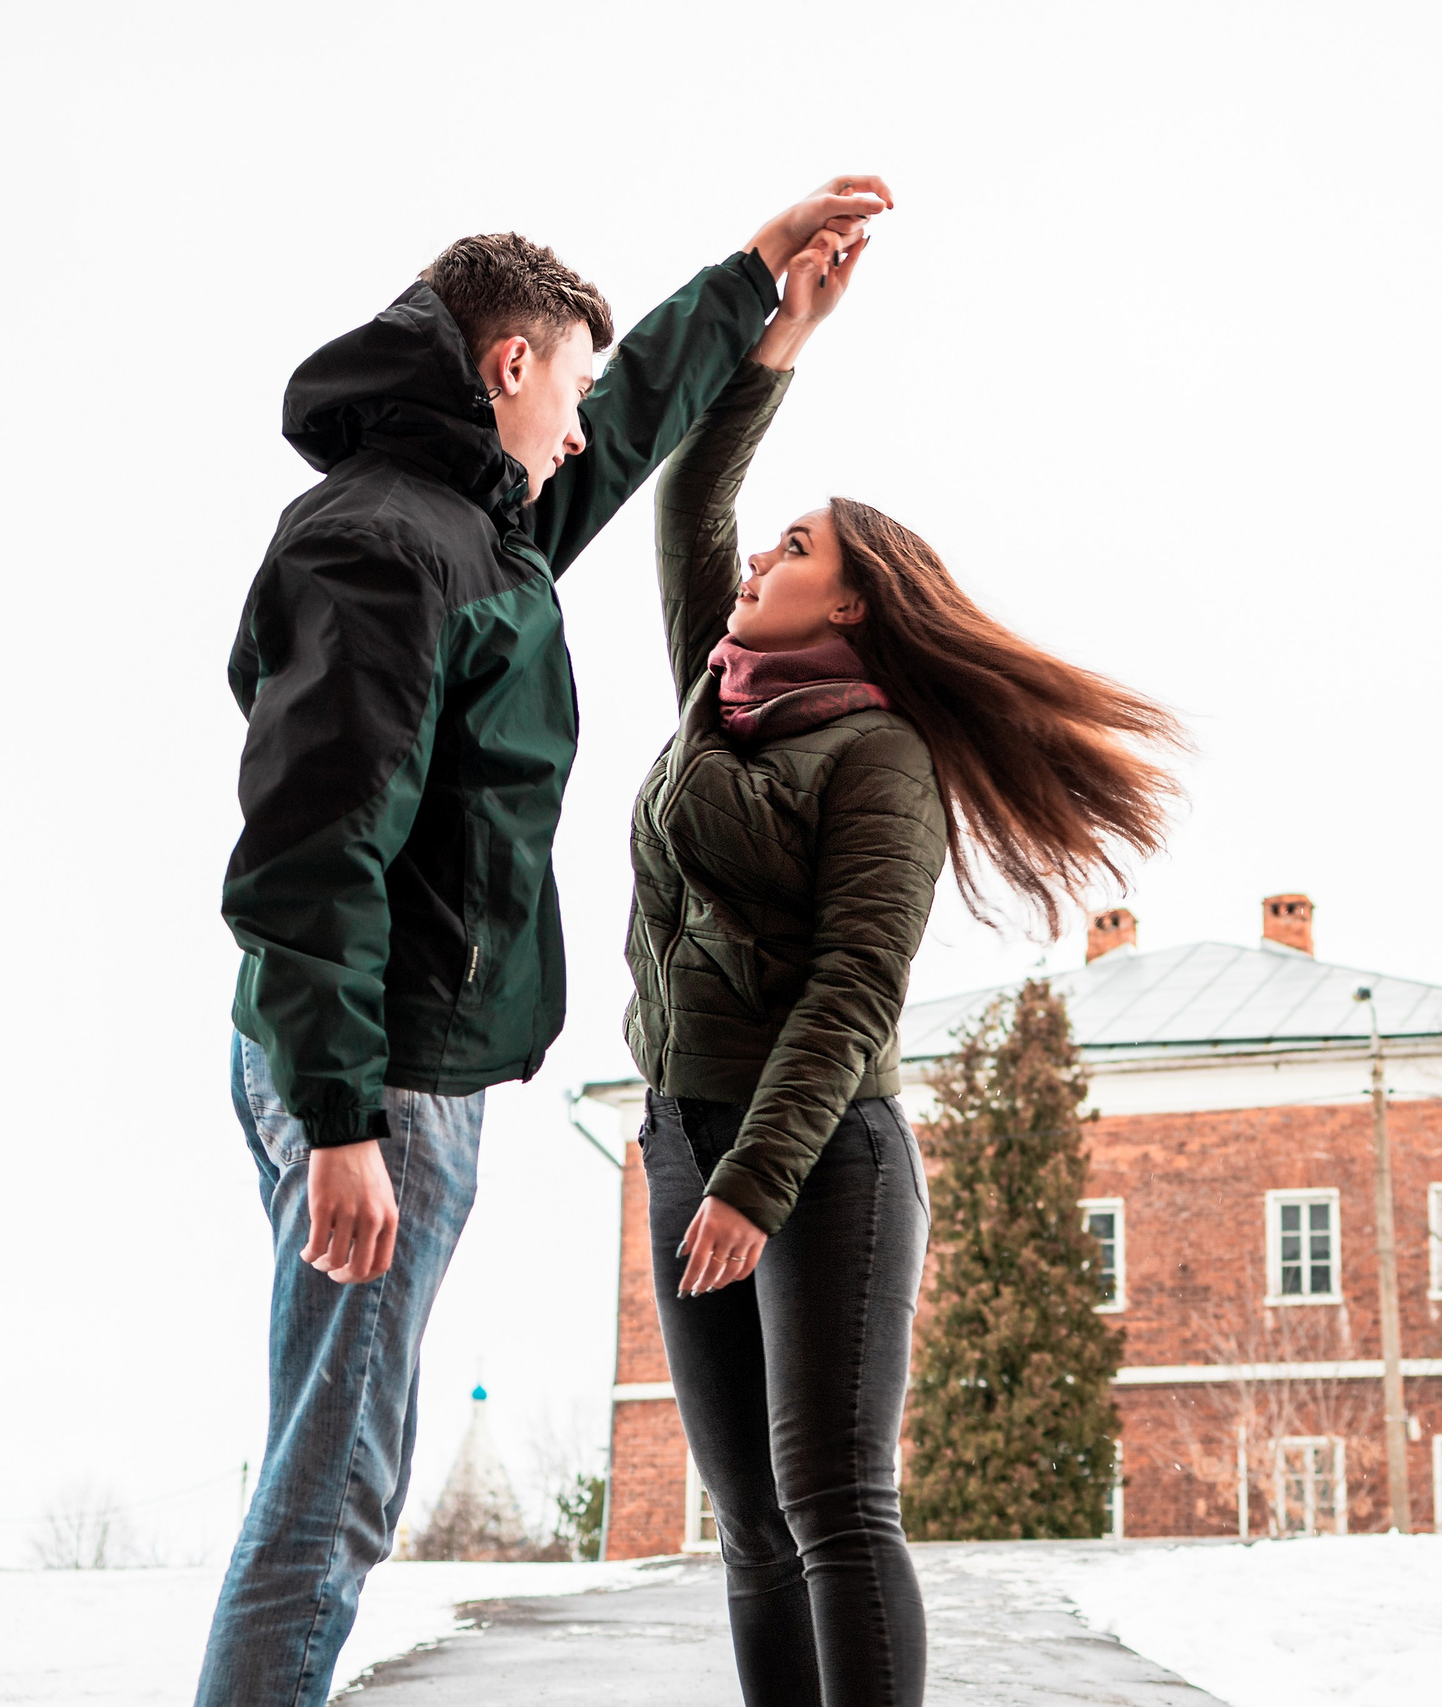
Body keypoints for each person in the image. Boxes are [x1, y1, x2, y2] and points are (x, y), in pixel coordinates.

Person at [202, 177, 895, 1707]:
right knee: (338, 1483)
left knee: (336, 1462)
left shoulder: (466, 530)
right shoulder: (390, 547)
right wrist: (343, 1116)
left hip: (379, 1059)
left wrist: (751, 288)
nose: (582, 431)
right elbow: (316, 849)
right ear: (507, 368)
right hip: (372, 1069)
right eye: (564, 389)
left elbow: (634, 424)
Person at [625, 231, 1181, 1706]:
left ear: (855, 602)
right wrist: (779, 339)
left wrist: (756, 1179)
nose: (760, 560)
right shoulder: (718, 701)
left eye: (795, 551)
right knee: (747, 1532)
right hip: (680, 1137)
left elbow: (856, 991)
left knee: (833, 1506)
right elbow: (693, 498)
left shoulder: (880, 758)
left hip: (818, 1161)